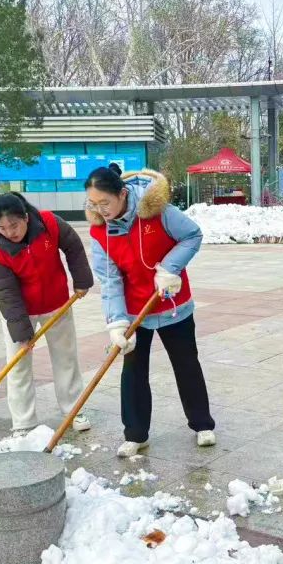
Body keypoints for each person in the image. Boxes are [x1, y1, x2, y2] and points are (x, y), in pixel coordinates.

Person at [85, 167, 216, 457]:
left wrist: (169, 268)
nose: (100, 210)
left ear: (122, 194)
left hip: (172, 303)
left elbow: (192, 235)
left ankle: (202, 424)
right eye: (93, 204)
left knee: (186, 364)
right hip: (134, 311)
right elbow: (109, 279)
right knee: (133, 371)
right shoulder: (100, 232)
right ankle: (135, 434)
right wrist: (116, 323)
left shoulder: (157, 211)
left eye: (105, 202)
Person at [0, 192, 94, 433]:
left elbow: (74, 247)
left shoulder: (49, 223)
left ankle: (73, 409)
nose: (9, 232)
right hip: (19, 311)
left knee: (66, 358)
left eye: (14, 225)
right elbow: (6, 293)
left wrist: (82, 280)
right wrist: (22, 334)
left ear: (25, 217)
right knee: (18, 365)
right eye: (2, 228)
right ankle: (23, 422)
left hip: (56, 302)